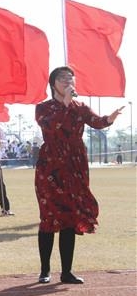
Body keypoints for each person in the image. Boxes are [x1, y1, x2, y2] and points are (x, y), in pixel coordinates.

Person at [35, 66, 123, 284]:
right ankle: (45, 270)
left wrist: (109, 119)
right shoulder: (43, 108)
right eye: (63, 78)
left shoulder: (80, 107)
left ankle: (66, 272)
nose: (68, 81)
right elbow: (51, 126)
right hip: (51, 167)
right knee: (49, 217)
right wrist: (65, 103)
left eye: (70, 78)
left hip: (75, 165)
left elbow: (97, 122)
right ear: (53, 83)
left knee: (70, 218)